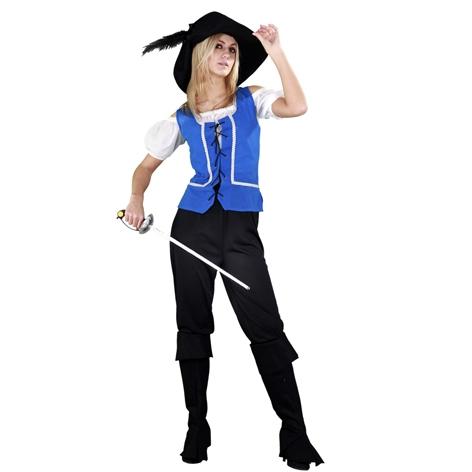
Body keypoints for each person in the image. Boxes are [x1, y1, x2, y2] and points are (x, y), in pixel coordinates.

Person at [124, 12, 324, 470]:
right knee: (193, 326)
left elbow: (297, 106)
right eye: (218, 45)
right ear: (200, 53)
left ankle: (295, 432)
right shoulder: (181, 118)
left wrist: (276, 52)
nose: (227, 54)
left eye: (233, 49)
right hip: (191, 228)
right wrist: (135, 199)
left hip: (239, 231)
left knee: (266, 328)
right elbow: (144, 169)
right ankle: (197, 426)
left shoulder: (251, 99)